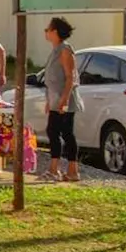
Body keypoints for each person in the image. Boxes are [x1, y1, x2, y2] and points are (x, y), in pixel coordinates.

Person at [43, 16, 83, 183]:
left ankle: (69, 170)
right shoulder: (55, 49)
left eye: (48, 29)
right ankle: (56, 169)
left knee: (65, 133)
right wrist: (49, 101)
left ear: (56, 32)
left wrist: (65, 100)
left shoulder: (65, 50)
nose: (45, 32)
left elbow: (70, 77)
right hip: (55, 98)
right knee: (53, 131)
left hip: (64, 99)